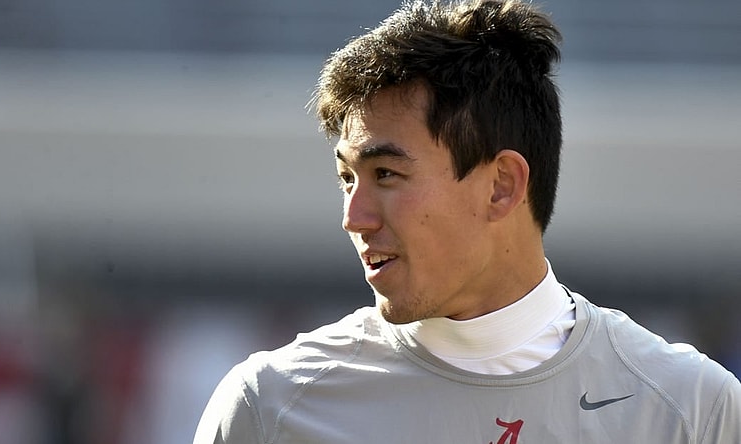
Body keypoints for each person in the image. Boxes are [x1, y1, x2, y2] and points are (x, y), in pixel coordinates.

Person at [194, 1, 740, 442]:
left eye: (386, 174)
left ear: (502, 185)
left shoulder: (690, 410)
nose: (353, 218)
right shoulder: (270, 407)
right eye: (347, 178)